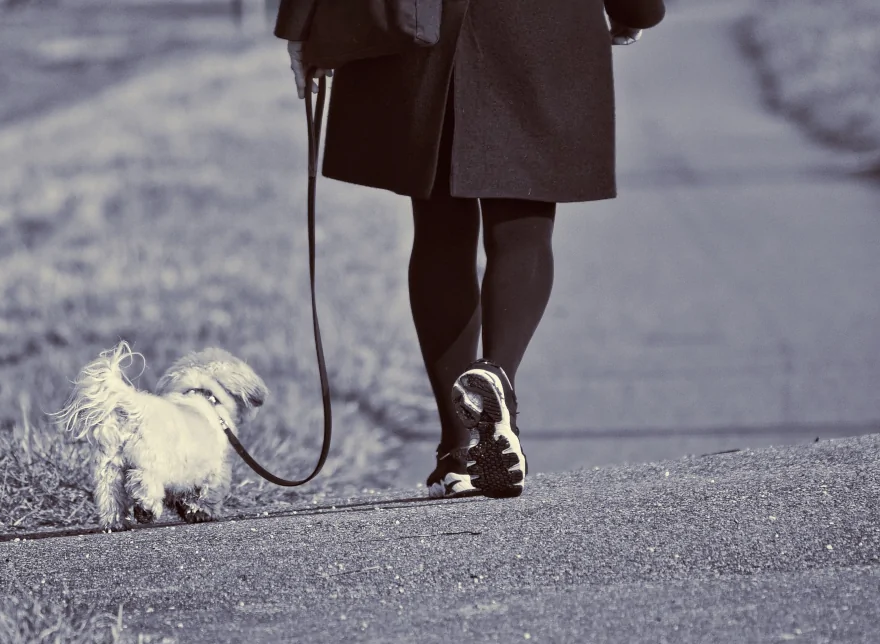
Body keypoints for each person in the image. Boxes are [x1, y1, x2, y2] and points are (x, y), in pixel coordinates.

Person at [273, 0, 666, 499]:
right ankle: (495, 375)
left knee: (438, 232)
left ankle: (459, 452)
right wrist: (636, 9)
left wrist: (302, 25)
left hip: (422, 27)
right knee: (522, 230)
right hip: (541, 25)